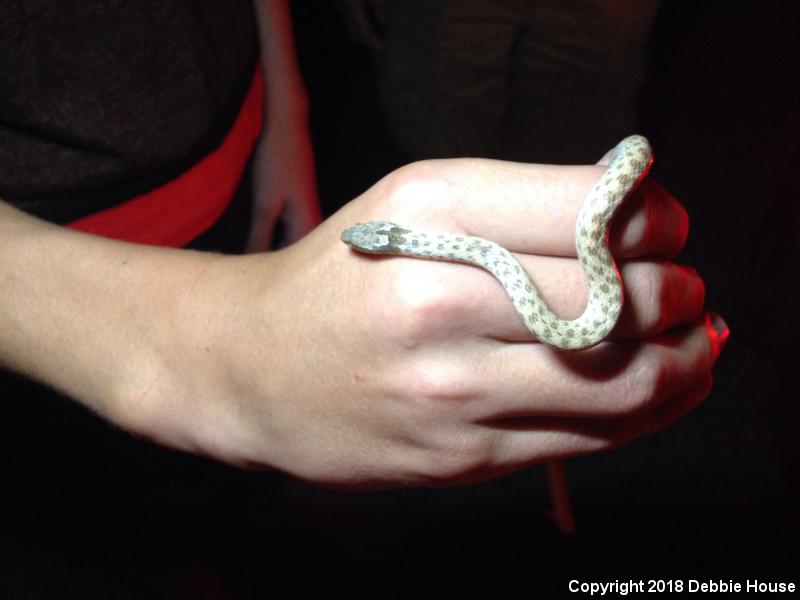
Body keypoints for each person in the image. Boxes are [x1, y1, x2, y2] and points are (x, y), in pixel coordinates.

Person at [0, 1, 725, 490]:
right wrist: (203, 362)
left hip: (232, 130)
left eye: (371, 243)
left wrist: (286, 99)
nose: (361, 245)